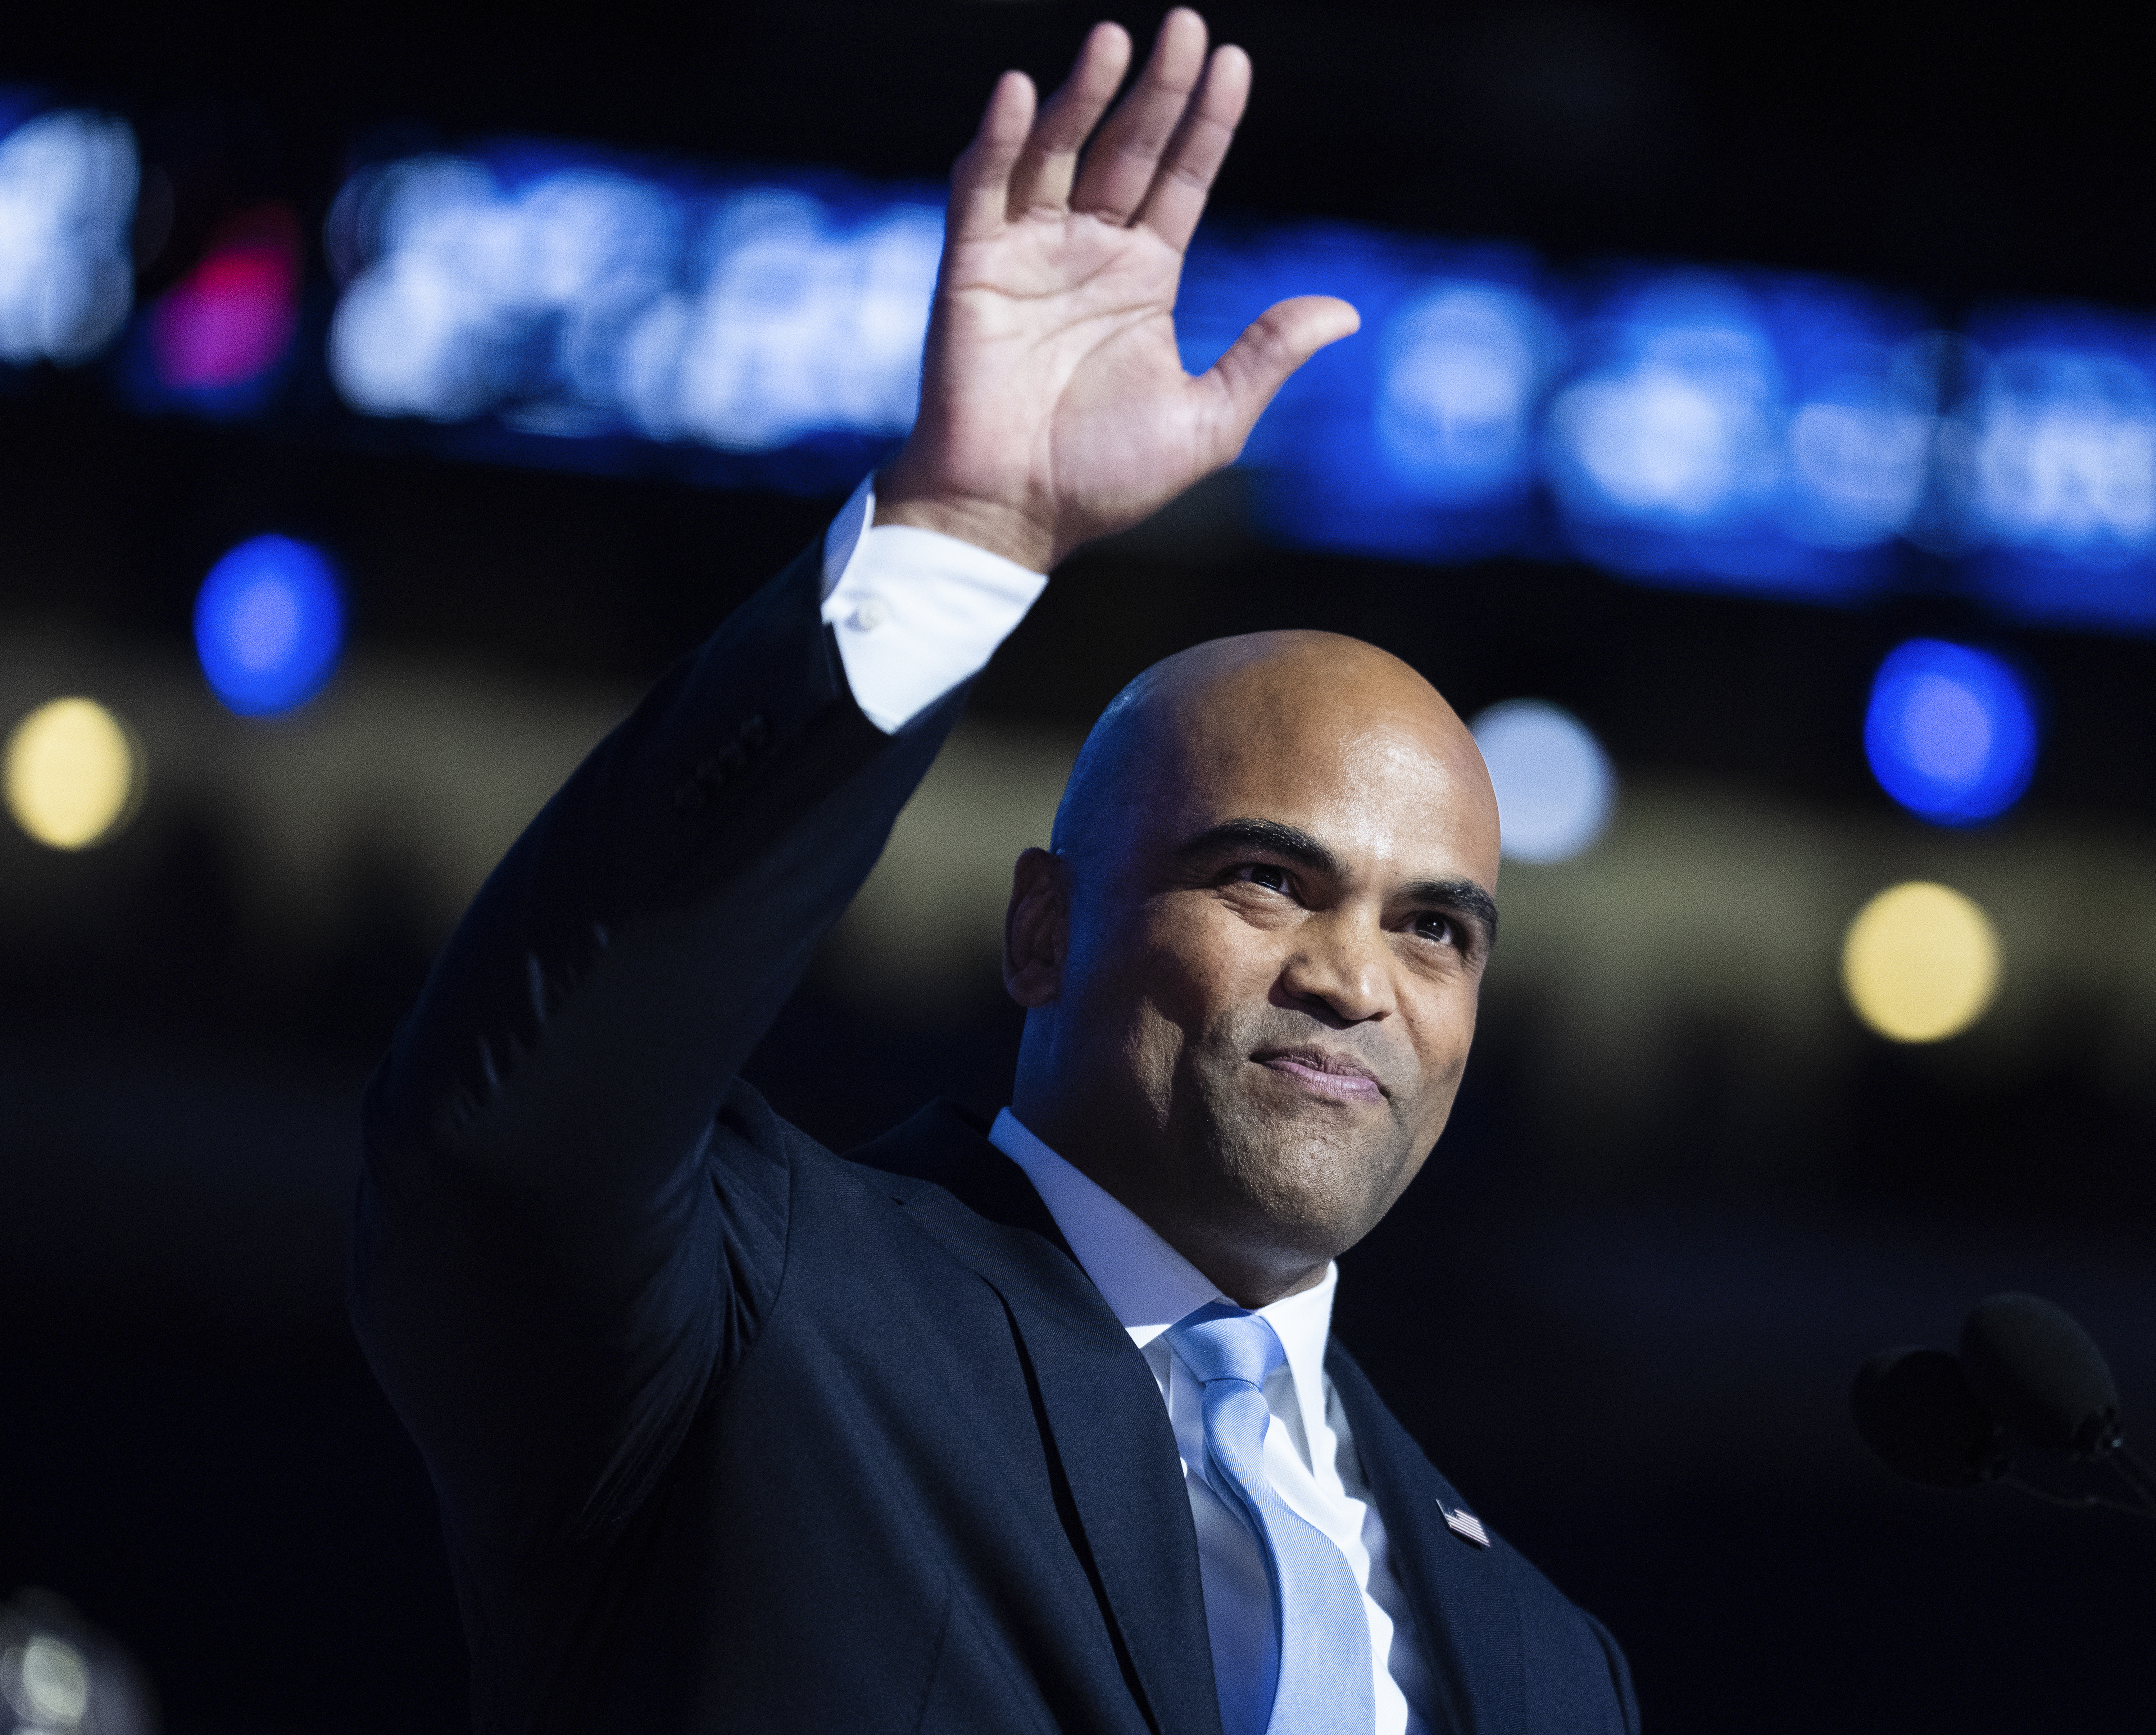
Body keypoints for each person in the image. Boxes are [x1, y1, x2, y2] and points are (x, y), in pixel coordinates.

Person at [352, 12, 1640, 1732]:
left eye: (1434, 929)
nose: (1356, 977)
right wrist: (965, 532)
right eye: (1267, 879)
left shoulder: (1554, 1666)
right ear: (1044, 929)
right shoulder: (762, 1314)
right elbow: (507, 1140)